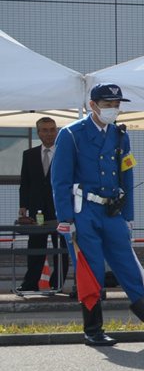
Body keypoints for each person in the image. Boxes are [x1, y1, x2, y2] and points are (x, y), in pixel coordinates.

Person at [51, 83, 144, 347]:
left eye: (116, 105)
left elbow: (127, 174)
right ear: (92, 105)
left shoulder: (119, 135)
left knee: (129, 266)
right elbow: (59, 181)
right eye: (107, 105)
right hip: (84, 212)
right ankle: (93, 330)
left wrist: (128, 214)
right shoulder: (72, 134)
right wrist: (65, 219)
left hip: (111, 211)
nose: (113, 110)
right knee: (91, 270)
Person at [18, 117, 69, 292]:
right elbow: (25, 183)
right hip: (36, 209)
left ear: (57, 131)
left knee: (61, 246)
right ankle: (30, 284)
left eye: (52, 129)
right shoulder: (29, 154)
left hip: (60, 208)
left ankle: (57, 283)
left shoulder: (65, 152)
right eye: (45, 130)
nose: (49, 133)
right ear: (38, 132)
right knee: (36, 246)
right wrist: (23, 205)